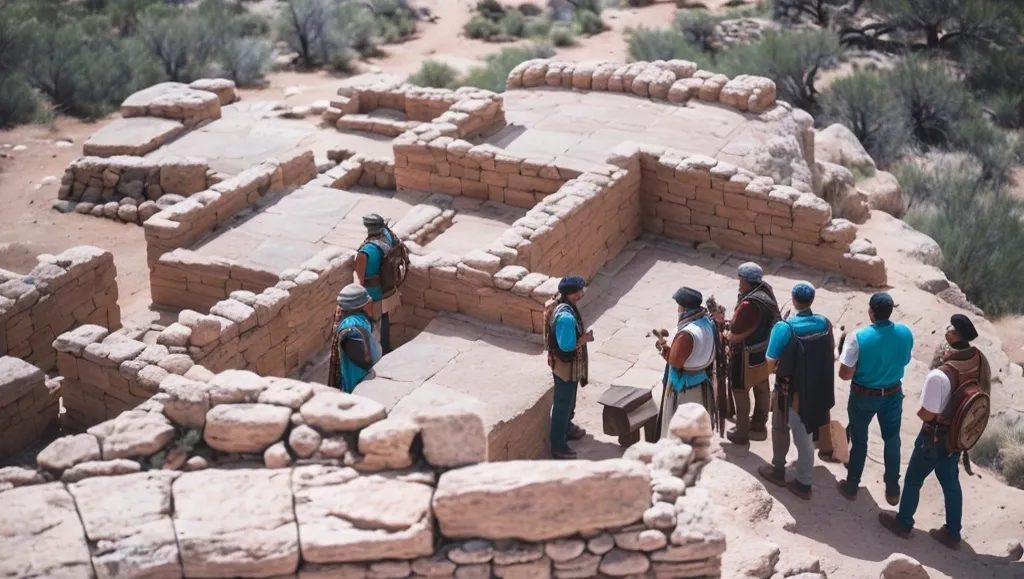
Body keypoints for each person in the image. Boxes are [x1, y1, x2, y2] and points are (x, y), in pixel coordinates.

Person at [879, 314, 990, 550]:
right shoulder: (978, 358)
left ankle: (904, 523)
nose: (946, 329)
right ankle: (952, 533)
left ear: (954, 336)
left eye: (949, 327)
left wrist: (919, 411)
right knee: (950, 483)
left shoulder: (940, 375)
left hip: (934, 438)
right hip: (956, 439)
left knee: (913, 480)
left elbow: (926, 414)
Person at [757, 282, 835, 500]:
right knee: (806, 434)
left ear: (793, 299)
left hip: (791, 391)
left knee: (786, 430)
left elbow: (770, 362)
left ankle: (799, 480)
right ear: (811, 300)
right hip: (817, 387)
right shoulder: (824, 323)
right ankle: (797, 474)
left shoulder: (784, 328)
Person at [837, 292, 914, 504]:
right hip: (892, 394)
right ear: (891, 311)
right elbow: (905, 360)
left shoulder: (858, 337)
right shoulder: (905, 333)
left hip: (864, 395)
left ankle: (852, 484)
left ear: (871, 312)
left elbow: (844, 374)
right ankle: (892, 488)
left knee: (860, 440)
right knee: (892, 439)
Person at [725, 262, 781, 445]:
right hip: (764, 351)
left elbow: (735, 328)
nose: (738, 283)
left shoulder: (750, 303)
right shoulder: (767, 293)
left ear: (747, 281)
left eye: (740, 279)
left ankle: (741, 432)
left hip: (746, 356)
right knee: (761, 387)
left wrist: (726, 332)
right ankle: (759, 425)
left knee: (740, 391)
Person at [656, 287, 719, 437]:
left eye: (679, 306)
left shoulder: (687, 333)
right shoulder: (707, 322)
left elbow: (675, 362)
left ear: (684, 308)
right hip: (701, 381)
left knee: (681, 432)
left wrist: (664, 349)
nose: (678, 309)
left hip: (686, 389)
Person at [544, 275, 593, 460]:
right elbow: (567, 346)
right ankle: (559, 444)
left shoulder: (563, 304)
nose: (582, 294)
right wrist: (584, 339)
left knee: (569, 399)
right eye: (580, 291)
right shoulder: (566, 318)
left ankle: (567, 427)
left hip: (567, 365)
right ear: (572, 294)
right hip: (565, 366)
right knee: (562, 405)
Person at [355, 213, 404, 355]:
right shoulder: (388, 238)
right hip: (388, 287)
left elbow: (360, 278)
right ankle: (387, 348)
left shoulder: (365, 252)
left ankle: (376, 353)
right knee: (384, 318)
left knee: (372, 324)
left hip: (373, 293)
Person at [327, 283, 383, 394]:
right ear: (361, 306)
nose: (371, 305)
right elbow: (369, 359)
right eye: (368, 303)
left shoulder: (359, 321)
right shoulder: (352, 329)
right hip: (356, 382)